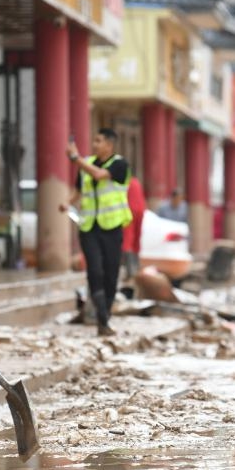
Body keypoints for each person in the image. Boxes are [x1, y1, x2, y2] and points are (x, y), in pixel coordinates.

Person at [64, 128, 132, 336]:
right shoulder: (86, 164)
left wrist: (76, 158)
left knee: (111, 274)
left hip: (112, 228)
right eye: (94, 140)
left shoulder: (120, 165)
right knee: (95, 271)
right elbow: (78, 191)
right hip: (89, 227)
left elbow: (99, 175)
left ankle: (106, 316)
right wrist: (65, 204)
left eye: (98, 141)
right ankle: (102, 319)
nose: (94, 145)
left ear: (110, 145)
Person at [122, 174, 146, 281]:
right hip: (140, 211)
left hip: (129, 212)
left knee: (127, 241)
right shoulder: (136, 182)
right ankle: (135, 269)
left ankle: (131, 271)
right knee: (135, 240)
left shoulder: (125, 183)